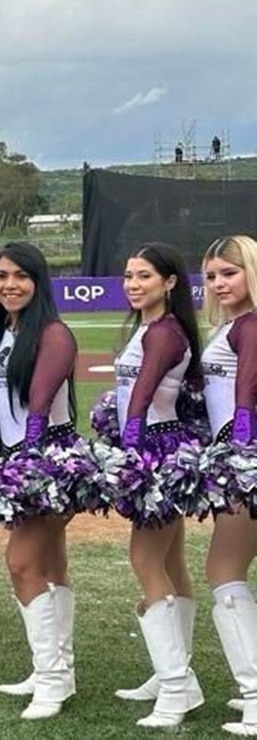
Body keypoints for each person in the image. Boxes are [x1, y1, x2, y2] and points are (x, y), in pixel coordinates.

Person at [0, 243, 90, 719]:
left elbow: (38, 409)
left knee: (20, 562)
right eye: (1, 276)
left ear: (39, 281)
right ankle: (57, 671)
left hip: (49, 462)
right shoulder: (5, 333)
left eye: (20, 276)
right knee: (51, 566)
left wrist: (23, 468)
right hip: (21, 460)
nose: (9, 285)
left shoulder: (53, 334)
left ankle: (53, 681)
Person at [91, 242, 205, 728]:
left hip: (155, 449)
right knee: (171, 561)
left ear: (170, 282)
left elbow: (139, 400)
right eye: (129, 276)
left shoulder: (164, 333)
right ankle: (176, 676)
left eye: (145, 276)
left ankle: (176, 688)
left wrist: (128, 454)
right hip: (160, 445)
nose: (134, 284)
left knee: (145, 560)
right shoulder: (148, 328)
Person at [197, 235, 257, 736]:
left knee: (223, 568)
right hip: (238, 459)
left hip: (247, 462)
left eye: (229, 273)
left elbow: (246, 392)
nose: (218, 283)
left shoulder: (251, 326)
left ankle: (256, 695)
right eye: (212, 275)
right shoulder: (233, 325)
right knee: (226, 567)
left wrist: (238, 451)